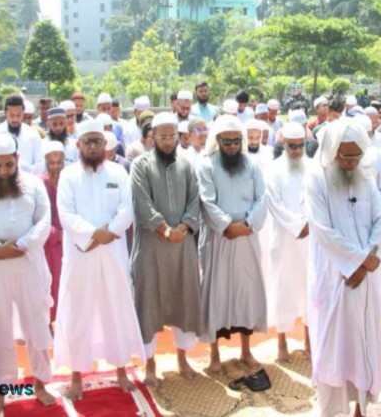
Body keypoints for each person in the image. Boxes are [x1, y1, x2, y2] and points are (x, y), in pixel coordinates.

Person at [0, 133, 56, 414]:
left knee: (36, 323)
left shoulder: (33, 185)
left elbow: (44, 220)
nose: (4, 171)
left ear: (17, 160)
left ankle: (40, 382)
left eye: (8, 165)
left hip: (28, 262)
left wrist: (23, 244)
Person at [54, 121, 143, 400]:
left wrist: (110, 232)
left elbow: (128, 207)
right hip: (81, 255)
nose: (93, 146)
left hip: (112, 253)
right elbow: (66, 214)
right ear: (78, 145)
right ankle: (77, 376)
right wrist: (94, 235)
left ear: (105, 145)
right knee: (78, 313)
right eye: (87, 142)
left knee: (116, 309)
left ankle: (120, 371)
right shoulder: (68, 176)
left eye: (97, 141)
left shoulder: (118, 172)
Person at [305, 119, 381, 417]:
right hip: (333, 277)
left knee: (364, 343)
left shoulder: (365, 176)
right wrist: (358, 262)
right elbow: (323, 230)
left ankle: (360, 409)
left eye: (356, 155)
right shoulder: (317, 179)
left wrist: (366, 263)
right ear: (332, 152)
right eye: (345, 156)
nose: (351, 163)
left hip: (364, 279)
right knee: (332, 349)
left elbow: (380, 218)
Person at [130, 113, 203, 384]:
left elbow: (195, 199)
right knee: (149, 303)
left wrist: (183, 228)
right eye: (163, 137)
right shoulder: (140, 165)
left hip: (182, 246)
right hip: (152, 248)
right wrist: (164, 229)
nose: (169, 142)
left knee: (183, 301)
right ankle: (150, 364)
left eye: (173, 136)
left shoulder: (186, 165)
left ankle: (182, 359)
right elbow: (141, 202)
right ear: (152, 137)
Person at [197, 115, 268, 375]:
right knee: (217, 292)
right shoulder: (206, 165)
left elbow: (262, 197)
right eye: (226, 142)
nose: (231, 146)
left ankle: (246, 351)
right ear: (217, 140)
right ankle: (214, 354)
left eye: (236, 141)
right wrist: (228, 225)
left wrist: (246, 225)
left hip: (246, 237)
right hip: (220, 238)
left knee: (245, 292)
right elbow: (207, 201)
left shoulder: (252, 164)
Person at [265, 123, 312, 362]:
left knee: (310, 289)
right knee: (284, 289)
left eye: (300, 146)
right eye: (292, 146)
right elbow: (274, 204)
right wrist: (297, 226)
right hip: (284, 240)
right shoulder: (273, 170)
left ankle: (309, 338)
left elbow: (319, 199)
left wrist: (309, 224)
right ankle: (282, 342)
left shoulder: (312, 167)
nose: (296, 151)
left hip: (310, 239)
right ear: (283, 144)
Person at [0, 95, 44, 175]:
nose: (15, 119)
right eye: (11, 115)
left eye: (18, 115)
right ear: (5, 113)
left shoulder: (33, 135)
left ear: (23, 113)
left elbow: (40, 164)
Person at [41, 141, 65, 322]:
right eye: (52, 162)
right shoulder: (40, 184)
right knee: (51, 285)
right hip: (49, 244)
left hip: (73, 240)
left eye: (59, 162)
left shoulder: (71, 180)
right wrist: (56, 234)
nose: (56, 166)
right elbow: (40, 216)